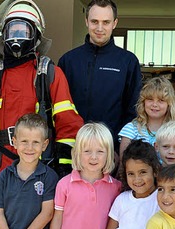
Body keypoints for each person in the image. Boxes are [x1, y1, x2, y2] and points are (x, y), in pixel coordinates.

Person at [0, 0, 83, 202]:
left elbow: (68, 124)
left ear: (36, 36)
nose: (17, 38)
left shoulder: (50, 74)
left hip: (40, 168)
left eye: (23, 32)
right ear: (4, 34)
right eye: (12, 31)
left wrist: (64, 165)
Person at [48, 123, 122, 229]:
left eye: (100, 151)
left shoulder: (116, 188)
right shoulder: (65, 185)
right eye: (87, 151)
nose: (93, 157)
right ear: (77, 153)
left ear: (109, 154)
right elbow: (57, 221)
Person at [58, 0, 142, 147]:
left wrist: (120, 147)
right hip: (73, 146)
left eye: (106, 22)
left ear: (114, 23)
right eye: (94, 21)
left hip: (110, 147)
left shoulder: (128, 62)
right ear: (86, 21)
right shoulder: (68, 61)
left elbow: (133, 110)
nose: (100, 28)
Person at [118, 77, 175, 158]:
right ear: (143, 102)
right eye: (150, 99)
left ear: (169, 104)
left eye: (161, 100)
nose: (154, 104)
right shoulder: (131, 129)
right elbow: (123, 164)